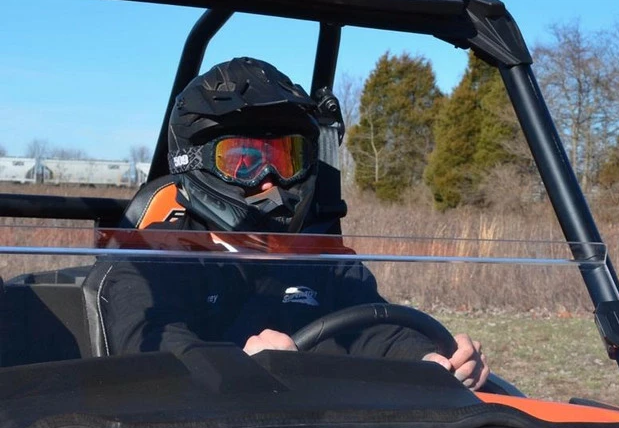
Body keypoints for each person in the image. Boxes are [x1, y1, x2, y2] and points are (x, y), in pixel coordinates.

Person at [100, 57, 488, 390]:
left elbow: (375, 329)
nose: (269, 179)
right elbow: (154, 351)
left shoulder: (324, 261)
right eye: (243, 161)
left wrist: (431, 358)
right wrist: (236, 365)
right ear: (194, 162)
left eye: (286, 159)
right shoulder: (150, 265)